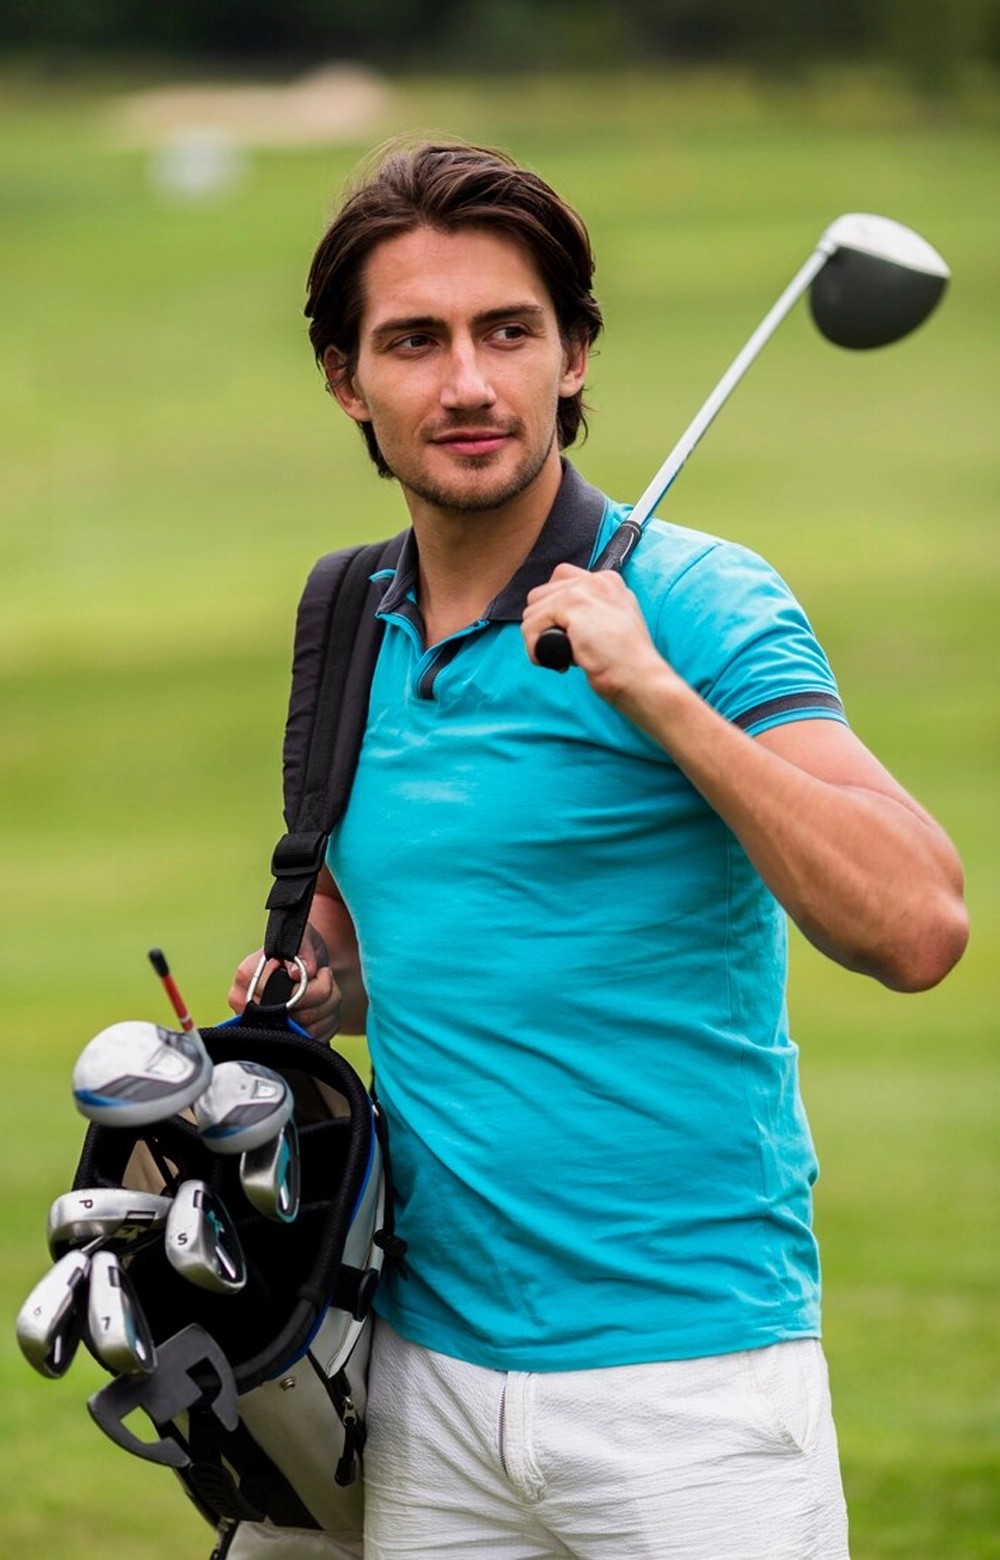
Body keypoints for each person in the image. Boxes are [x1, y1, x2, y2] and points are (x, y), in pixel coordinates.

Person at [229, 140, 968, 1559]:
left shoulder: (698, 602)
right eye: (415, 341)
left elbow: (918, 924)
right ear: (346, 380)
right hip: (424, 1381)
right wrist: (314, 981)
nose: (468, 383)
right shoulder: (344, 616)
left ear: (573, 356)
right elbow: (382, 939)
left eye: (509, 332)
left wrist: (657, 695)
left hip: (690, 1388)